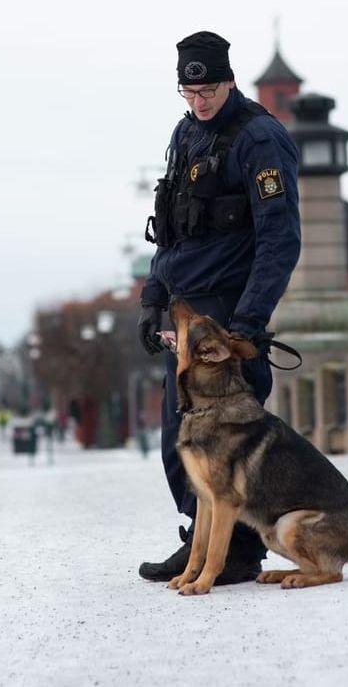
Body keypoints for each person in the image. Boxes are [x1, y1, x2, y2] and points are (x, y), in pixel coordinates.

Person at [137, 30, 301, 585]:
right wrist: (151, 297)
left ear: (229, 80)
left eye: (208, 89)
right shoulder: (186, 133)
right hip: (185, 312)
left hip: (230, 314)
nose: (200, 101)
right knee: (179, 437)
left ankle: (240, 552)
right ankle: (200, 541)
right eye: (190, 91)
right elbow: (173, 231)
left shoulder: (259, 139)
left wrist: (248, 323)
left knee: (230, 446)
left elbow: (280, 239)